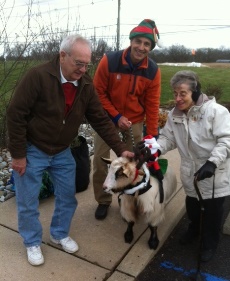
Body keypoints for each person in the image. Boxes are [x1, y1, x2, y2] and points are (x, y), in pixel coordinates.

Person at [6, 34, 134, 266]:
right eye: (79, 63)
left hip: (63, 151)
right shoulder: (38, 77)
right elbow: (16, 116)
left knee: (67, 196)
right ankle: (32, 241)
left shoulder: (85, 85)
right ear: (62, 56)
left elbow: (100, 119)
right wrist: (18, 155)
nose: (84, 69)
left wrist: (121, 148)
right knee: (28, 201)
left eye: (87, 64)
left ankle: (59, 233)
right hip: (34, 148)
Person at [156, 70, 230, 262]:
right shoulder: (175, 116)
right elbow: (168, 138)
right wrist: (154, 149)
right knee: (192, 206)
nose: (177, 98)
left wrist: (212, 162)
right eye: (175, 94)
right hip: (191, 175)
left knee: (213, 213)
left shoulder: (215, 112)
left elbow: (228, 140)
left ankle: (209, 243)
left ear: (196, 91)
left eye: (182, 93)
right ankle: (194, 228)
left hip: (214, 174)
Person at [92, 19, 162, 220]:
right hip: (107, 121)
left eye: (147, 44)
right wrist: (116, 115)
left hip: (136, 122)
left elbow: (152, 104)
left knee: (133, 165)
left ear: (150, 47)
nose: (141, 47)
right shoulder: (110, 61)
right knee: (100, 161)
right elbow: (97, 93)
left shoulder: (153, 71)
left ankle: (127, 200)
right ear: (131, 41)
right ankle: (103, 200)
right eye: (138, 41)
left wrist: (153, 135)